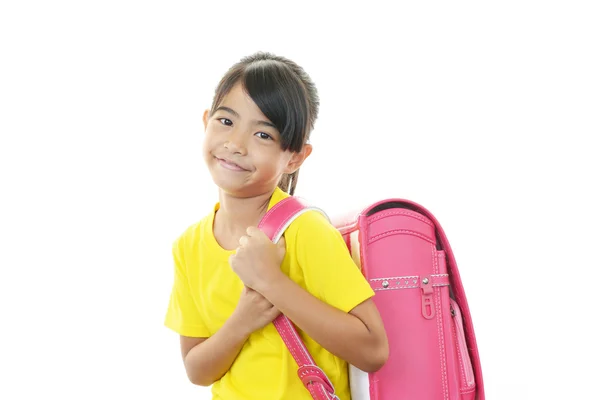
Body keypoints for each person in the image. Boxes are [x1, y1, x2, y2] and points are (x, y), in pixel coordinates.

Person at [164, 51, 389, 400]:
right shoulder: (188, 246)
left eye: (264, 135)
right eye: (226, 121)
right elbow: (197, 370)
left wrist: (272, 282)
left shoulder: (305, 231)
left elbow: (373, 350)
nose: (235, 144)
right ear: (206, 120)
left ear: (295, 156)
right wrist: (242, 321)